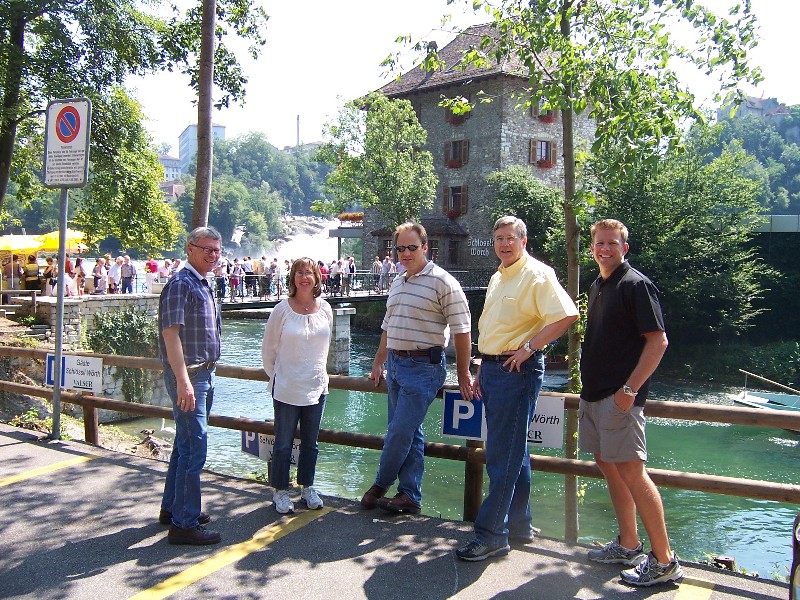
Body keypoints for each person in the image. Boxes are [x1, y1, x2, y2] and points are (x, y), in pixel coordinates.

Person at [456, 216, 578, 561]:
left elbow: (567, 315)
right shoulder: (499, 275)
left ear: (524, 241)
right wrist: (482, 366)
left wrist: (531, 347)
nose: (504, 244)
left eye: (510, 238)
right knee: (513, 450)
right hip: (494, 369)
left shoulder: (537, 274)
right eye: (498, 238)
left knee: (500, 455)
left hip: (517, 371)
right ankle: (520, 526)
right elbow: (495, 328)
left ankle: (491, 534)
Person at [579, 218, 682, 586]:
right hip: (595, 395)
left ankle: (665, 561)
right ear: (592, 248)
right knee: (609, 466)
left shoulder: (636, 285)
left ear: (625, 247)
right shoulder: (598, 285)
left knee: (634, 473)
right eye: (599, 243)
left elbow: (658, 342)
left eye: (612, 243)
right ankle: (628, 543)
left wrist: (629, 391)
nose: (605, 249)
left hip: (618, 398)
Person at [360, 222, 473, 514]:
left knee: (399, 432)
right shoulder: (398, 280)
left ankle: (380, 485)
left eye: (412, 247)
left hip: (424, 367)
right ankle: (410, 494)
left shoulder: (443, 281)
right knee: (410, 432)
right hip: (397, 364)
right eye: (400, 248)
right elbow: (389, 324)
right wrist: (378, 360)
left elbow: (462, 331)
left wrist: (463, 373)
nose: (406, 253)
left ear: (425, 247)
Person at [158, 226, 223, 545]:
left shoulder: (201, 282)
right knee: (195, 446)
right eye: (206, 249)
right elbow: (171, 334)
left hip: (203, 374)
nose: (213, 255)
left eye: (217, 250)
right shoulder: (181, 283)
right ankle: (184, 524)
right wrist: (183, 380)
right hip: (191, 376)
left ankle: (173, 509)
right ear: (190, 249)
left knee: (184, 444)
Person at [261, 257, 333, 513]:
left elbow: (325, 347)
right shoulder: (282, 309)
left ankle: (307, 487)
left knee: (311, 443)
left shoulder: (325, 309)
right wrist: (279, 375)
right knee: (283, 443)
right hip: (287, 387)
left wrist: (319, 374)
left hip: (316, 386)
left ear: (316, 278)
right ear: (292, 278)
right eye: (299, 273)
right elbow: (268, 350)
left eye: (309, 273)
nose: (304, 277)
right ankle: (280, 491)